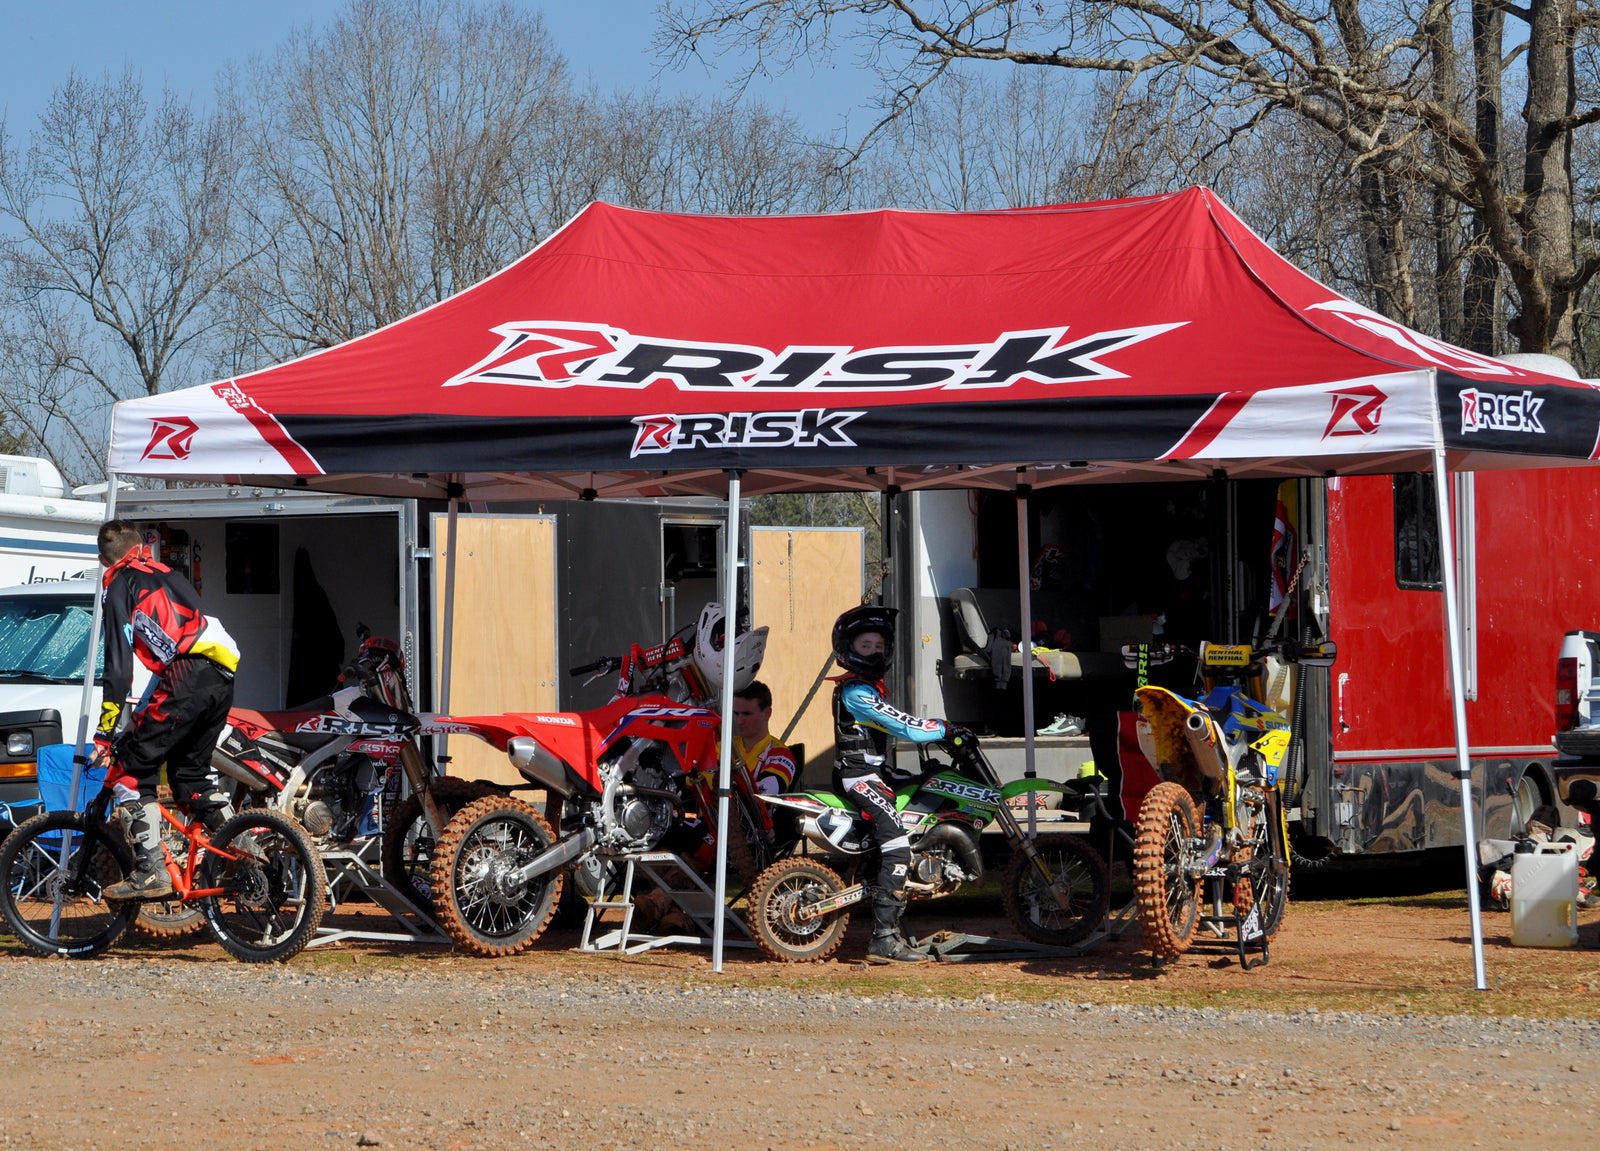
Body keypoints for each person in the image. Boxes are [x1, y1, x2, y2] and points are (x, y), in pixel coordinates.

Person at [94, 520, 243, 900]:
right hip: (223, 674)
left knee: (128, 771)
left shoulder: (118, 585)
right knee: (190, 781)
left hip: (187, 675)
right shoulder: (167, 572)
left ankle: (149, 874)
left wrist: (105, 731)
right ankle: (247, 859)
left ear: (102, 561)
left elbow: (118, 668)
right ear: (140, 546)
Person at [831, 604, 947, 964]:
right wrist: (946, 728)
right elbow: (905, 727)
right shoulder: (857, 693)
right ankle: (883, 938)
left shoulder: (869, 689)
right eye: (867, 645)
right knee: (897, 846)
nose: (875, 652)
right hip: (859, 777)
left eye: (880, 646)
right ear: (850, 648)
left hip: (874, 773)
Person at [732, 679, 798, 796]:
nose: (739, 721)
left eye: (746, 714)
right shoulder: (720, 746)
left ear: (767, 713)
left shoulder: (781, 754)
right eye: (736, 713)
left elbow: (766, 795)